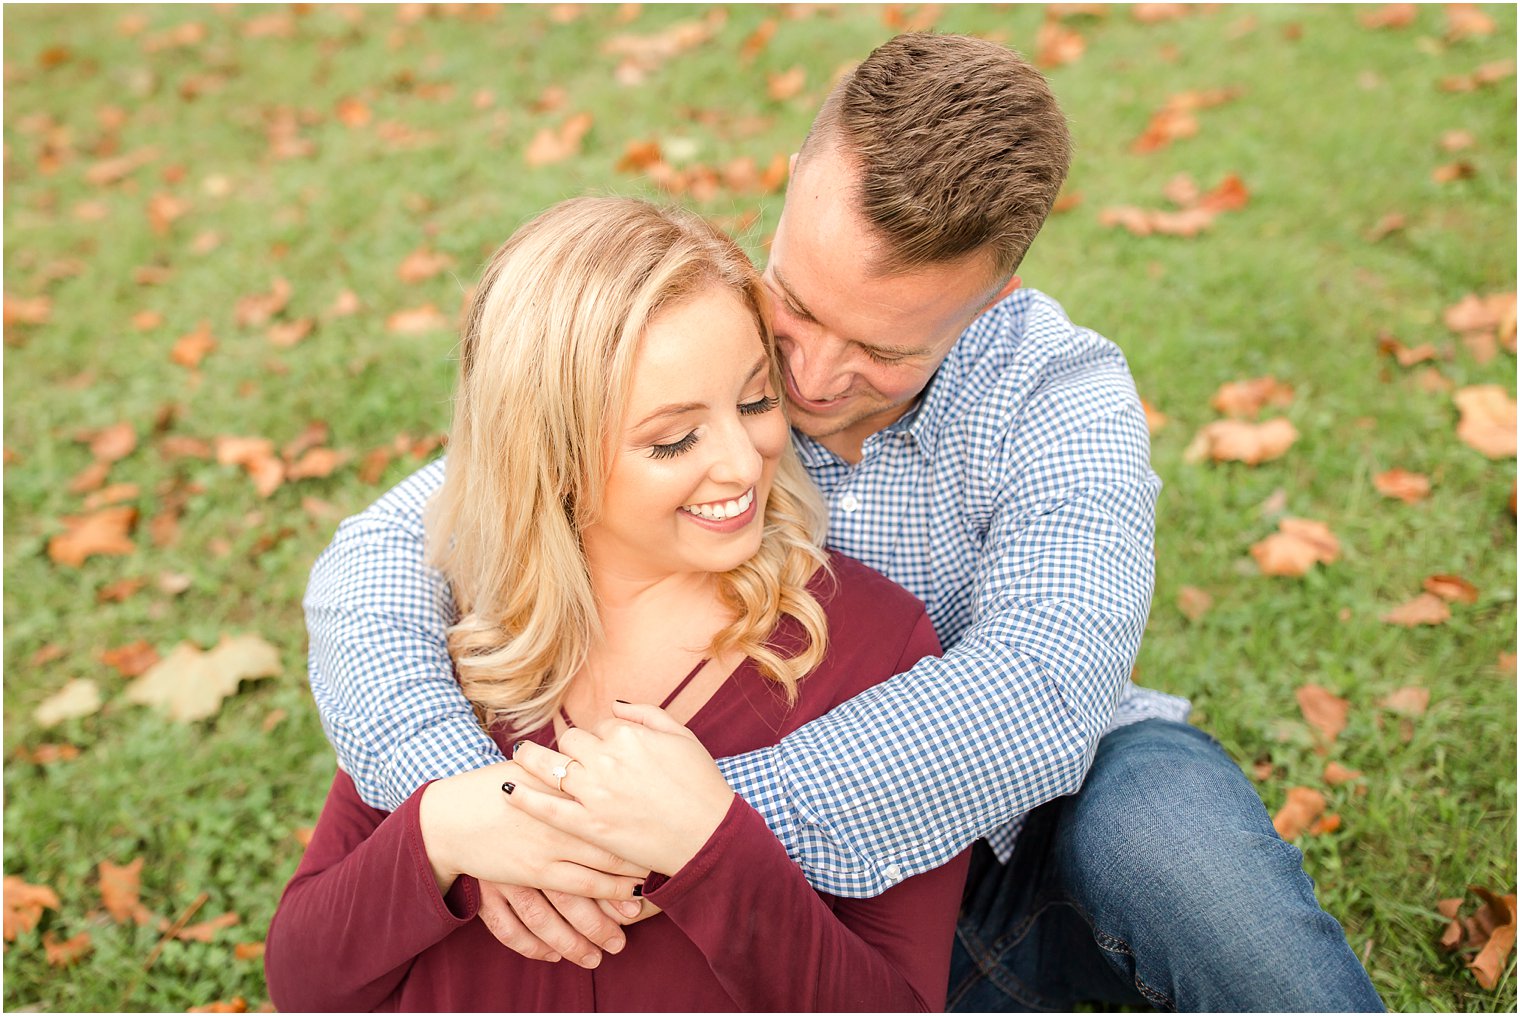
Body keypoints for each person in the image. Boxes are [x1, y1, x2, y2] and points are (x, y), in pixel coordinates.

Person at [301, 33, 1385, 1012]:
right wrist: (467, 805)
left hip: (1033, 821)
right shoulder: (702, 329)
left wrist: (686, 826)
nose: (812, 375)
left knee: (1185, 861)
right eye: (802, 306)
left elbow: (1042, 689)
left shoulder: (1058, 398)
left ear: (996, 291)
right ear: (789, 190)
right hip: (778, 900)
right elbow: (403, 544)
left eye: (885, 349)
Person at [266, 197, 968, 1012]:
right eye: (674, 439)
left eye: (753, 402)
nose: (744, 464)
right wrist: (437, 834)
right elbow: (305, 982)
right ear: (553, 456)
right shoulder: (453, 637)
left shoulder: (876, 648)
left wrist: (716, 851)